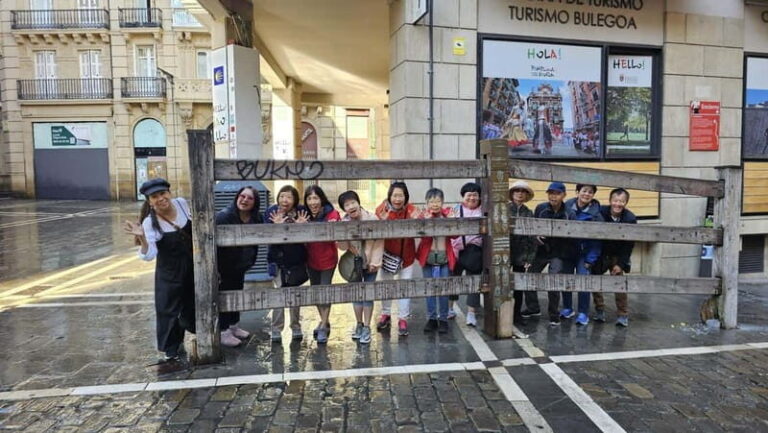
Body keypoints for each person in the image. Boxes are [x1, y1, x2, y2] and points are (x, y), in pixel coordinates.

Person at [123, 178, 194, 369]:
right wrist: (142, 238)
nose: (161, 198)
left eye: (163, 193)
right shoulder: (149, 222)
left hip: (191, 265)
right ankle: (171, 348)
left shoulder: (181, 203)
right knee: (168, 310)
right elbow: (149, 255)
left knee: (191, 304)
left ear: (169, 193)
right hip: (169, 272)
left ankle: (188, 331)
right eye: (155, 196)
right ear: (149, 201)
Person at [215, 186, 262, 348]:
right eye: (242, 196)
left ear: (255, 202)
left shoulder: (256, 218)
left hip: (241, 265)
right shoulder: (224, 216)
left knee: (237, 293)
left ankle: (234, 326)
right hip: (223, 265)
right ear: (237, 197)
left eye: (250, 198)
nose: (244, 200)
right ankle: (223, 331)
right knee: (225, 296)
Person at [337, 190, 384, 345]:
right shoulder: (344, 222)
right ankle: (358, 324)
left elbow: (379, 242)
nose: (351, 206)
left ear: (358, 203)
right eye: (346, 205)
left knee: (368, 294)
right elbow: (342, 247)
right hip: (353, 265)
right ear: (344, 209)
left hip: (370, 262)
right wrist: (342, 234)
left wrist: (375, 262)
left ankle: (367, 327)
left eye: (352, 202)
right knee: (357, 294)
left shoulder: (372, 219)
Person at [265, 185, 310, 343]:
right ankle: (276, 328)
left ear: (295, 200)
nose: (285, 200)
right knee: (279, 293)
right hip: (277, 260)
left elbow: (308, 235)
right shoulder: (271, 212)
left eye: (289, 197)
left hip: (296, 260)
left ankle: (296, 326)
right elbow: (265, 235)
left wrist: (299, 228)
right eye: (282, 196)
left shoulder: (301, 212)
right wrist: (276, 228)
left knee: (294, 294)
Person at [376, 181, 419, 337]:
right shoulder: (382, 209)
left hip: (407, 256)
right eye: (395, 195)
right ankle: (385, 314)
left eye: (401, 195)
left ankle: (403, 318)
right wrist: (385, 217)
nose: (397, 199)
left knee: (404, 288)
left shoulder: (412, 209)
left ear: (405, 196)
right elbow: (378, 222)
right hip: (387, 255)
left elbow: (421, 222)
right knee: (386, 286)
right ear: (389, 196)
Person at [530, 182, 576, 326]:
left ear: (564, 195)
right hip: (542, 250)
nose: (553, 196)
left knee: (554, 279)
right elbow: (532, 227)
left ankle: (554, 314)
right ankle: (533, 307)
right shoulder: (541, 208)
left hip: (559, 251)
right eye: (550, 193)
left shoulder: (570, 213)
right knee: (529, 275)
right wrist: (536, 236)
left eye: (557, 193)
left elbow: (573, 235)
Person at [592, 188, 636, 327]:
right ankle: (599, 310)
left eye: (622, 201)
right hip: (601, 252)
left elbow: (629, 245)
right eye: (615, 201)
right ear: (610, 201)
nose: (618, 204)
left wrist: (621, 264)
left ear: (626, 202)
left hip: (618, 254)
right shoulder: (601, 212)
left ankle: (623, 314)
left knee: (620, 284)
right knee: (595, 281)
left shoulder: (630, 218)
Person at [561, 184, 603, 326]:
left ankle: (583, 312)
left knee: (583, 280)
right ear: (577, 192)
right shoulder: (566, 206)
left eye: (590, 192)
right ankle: (567, 307)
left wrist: (590, 259)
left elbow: (598, 240)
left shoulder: (596, 214)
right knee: (565, 279)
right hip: (567, 251)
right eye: (584, 191)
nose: (586, 194)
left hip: (584, 252)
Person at [303, 185, 341, 344]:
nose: (313, 202)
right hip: (310, 259)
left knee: (325, 291)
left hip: (328, 259)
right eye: (309, 198)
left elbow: (338, 232)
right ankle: (323, 320)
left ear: (322, 199)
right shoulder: (303, 215)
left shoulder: (331, 213)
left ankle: (324, 325)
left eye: (315, 198)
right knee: (315, 292)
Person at [416, 188, 456, 334]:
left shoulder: (447, 216)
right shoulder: (423, 216)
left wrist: (451, 221)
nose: (435, 204)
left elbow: (456, 235)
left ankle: (444, 319)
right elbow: (420, 233)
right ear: (426, 203)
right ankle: (432, 318)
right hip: (428, 258)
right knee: (429, 289)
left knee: (444, 290)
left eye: (438, 201)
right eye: (431, 201)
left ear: (443, 202)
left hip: (444, 258)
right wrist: (427, 219)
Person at [450, 182, 484, 326]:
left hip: (473, 250)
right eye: (468, 195)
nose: (472, 198)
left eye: (475, 195)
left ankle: (471, 313)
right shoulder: (455, 210)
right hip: (455, 249)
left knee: (474, 281)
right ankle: (449, 308)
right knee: (452, 279)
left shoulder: (483, 209)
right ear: (463, 196)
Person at [508, 181, 537, 326]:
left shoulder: (528, 212)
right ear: (512, 193)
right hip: (505, 252)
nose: (519, 193)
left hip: (521, 254)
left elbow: (532, 238)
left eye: (523, 191)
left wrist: (529, 257)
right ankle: (502, 314)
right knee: (503, 283)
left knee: (518, 286)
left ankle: (516, 314)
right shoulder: (505, 209)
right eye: (517, 190)